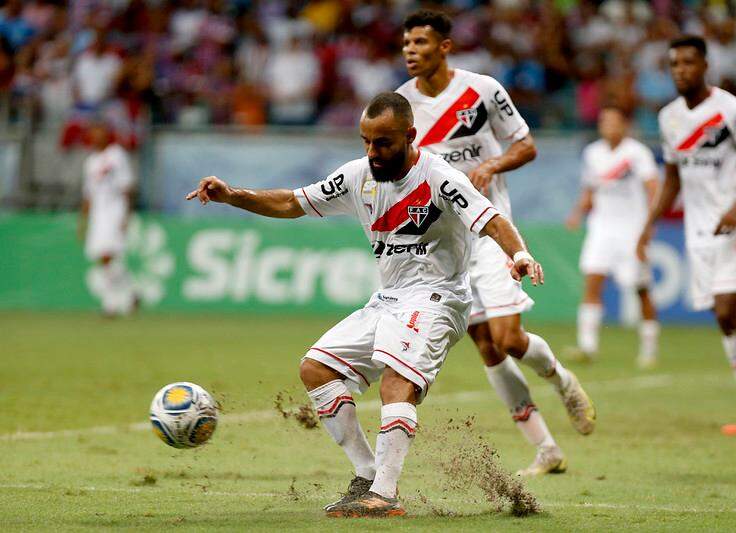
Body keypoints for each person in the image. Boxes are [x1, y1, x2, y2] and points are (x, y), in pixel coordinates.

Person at [186, 92, 547, 517]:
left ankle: (385, 493)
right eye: (365, 141)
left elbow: (492, 219)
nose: (372, 152)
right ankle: (366, 474)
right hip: (388, 300)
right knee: (315, 368)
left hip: (438, 298)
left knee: (398, 379)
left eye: (383, 143)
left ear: (410, 136)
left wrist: (519, 254)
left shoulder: (441, 178)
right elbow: (291, 202)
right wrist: (233, 196)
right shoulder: (358, 176)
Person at [395, 10, 595, 478]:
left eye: (420, 42)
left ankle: (561, 380)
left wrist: (493, 165)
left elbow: (526, 145)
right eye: (406, 43)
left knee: (508, 338)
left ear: (444, 47)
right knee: (487, 348)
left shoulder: (482, 90)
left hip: (490, 232)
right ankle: (546, 450)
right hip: (443, 245)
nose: (410, 50)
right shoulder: (401, 105)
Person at [637, 35, 736, 434]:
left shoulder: (731, 110)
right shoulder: (669, 117)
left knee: (729, 310)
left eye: (689, 63)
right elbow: (671, 177)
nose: (681, 70)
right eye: (674, 64)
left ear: (705, 65)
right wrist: (649, 222)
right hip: (699, 230)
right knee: (723, 319)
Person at [566, 106, 660, 368]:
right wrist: (577, 213)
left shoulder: (636, 153)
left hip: (632, 229)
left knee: (641, 289)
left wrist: (649, 225)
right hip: (602, 228)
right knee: (592, 282)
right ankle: (587, 347)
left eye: (613, 121)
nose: (608, 126)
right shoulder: (593, 153)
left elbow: (653, 187)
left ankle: (649, 349)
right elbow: (590, 189)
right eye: (604, 121)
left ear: (624, 125)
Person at [79, 121, 136, 317]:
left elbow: (127, 186)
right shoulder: (91, 162)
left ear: (107, 134)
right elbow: (88, 194)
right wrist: (83, 222)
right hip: (97, 214)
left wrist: (126, 215)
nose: (97, 137)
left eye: (100, 132)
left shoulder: (116, 155)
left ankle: (110, 304)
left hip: (114, 210)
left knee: (107, 256)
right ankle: (130, 293)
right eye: (94, 133)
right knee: (105, 259)